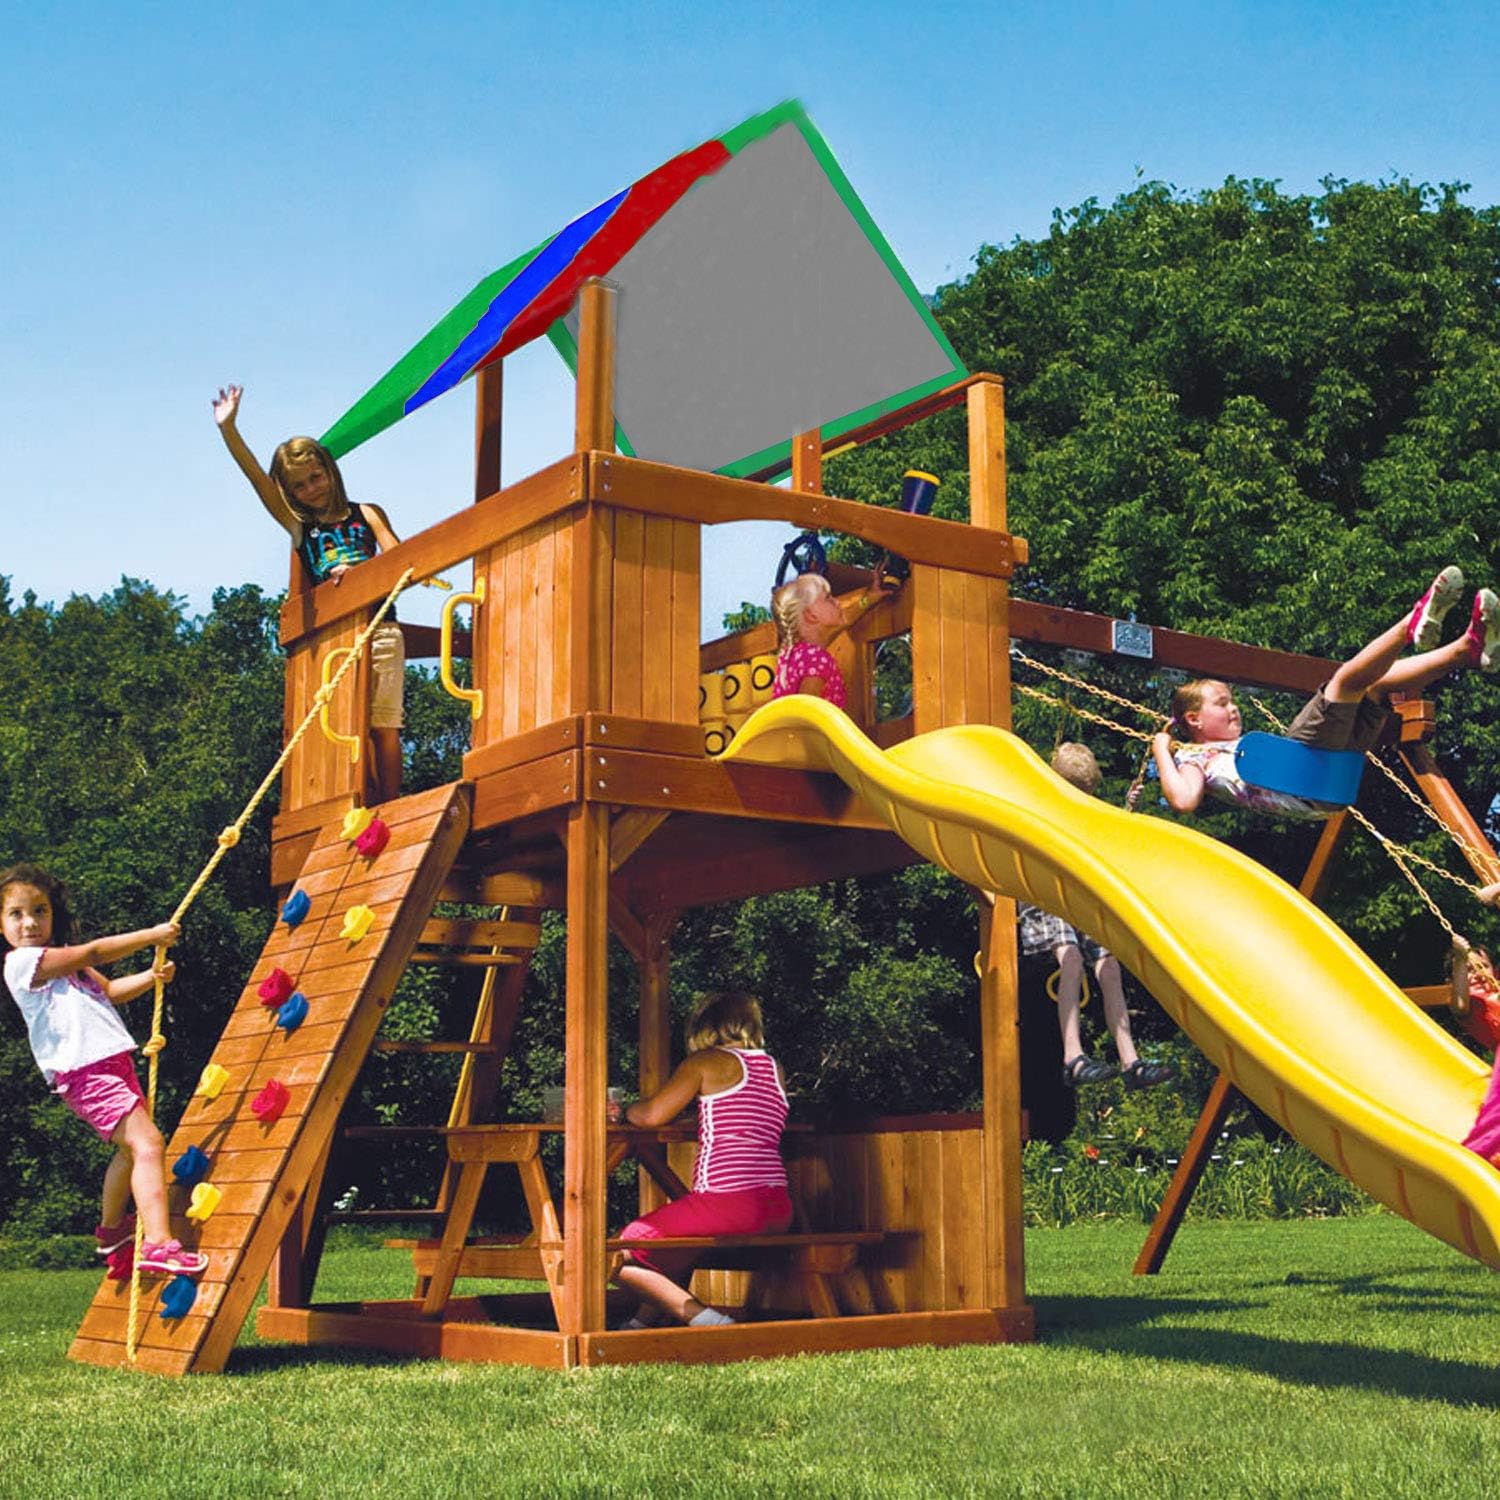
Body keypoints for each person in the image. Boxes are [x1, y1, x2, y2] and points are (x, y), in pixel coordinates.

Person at [1152, 567, 1499, 820]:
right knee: (1345, 681)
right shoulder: (1194, 758)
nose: (1234, 709)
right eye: (1222, 703)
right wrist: (1161, 750)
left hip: (1330, 782)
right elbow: (1184, 801)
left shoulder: (1226, 748)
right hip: (1303, 776)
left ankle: (1466, 650)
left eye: (1232, 701)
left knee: (1376, 687)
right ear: (1193, 719)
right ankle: (1412, 621)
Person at [1, 864, 208, 1278]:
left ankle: (112, 1231)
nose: (30, 923)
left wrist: (151, 976)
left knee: (130, 1150)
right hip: (84, 1070)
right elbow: (96, 951)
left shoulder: (67, 963)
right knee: (149, 1142)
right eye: (16, 914)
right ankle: (158, 1244)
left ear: (53, 915)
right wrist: (151, 935)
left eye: (40, 911)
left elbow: (110, 990)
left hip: (112, 1061)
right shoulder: (21, 963)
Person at [212, 383, 405, 801]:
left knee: (385, 724)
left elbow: (399, 559)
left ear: (330, 472)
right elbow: (258, 480)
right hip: (337, 638)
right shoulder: (303, 528)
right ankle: (361, 800)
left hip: (381, 629)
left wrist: (361, 573)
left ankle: (392, 803)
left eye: (316, 477)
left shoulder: (366, 513)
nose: (311, 489)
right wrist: (229, 430)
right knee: (349, 724)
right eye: (299, 486)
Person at [610, 991, 792, 1329]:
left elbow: (650, 1116)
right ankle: (639, 1325)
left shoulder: (705, 1062)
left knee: (613, 1254)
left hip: (728, 1204)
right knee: (678, 1248)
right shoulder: (773, 1067)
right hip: (777, 1206)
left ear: (704, 1027)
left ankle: (709, 1321)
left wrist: (623, 1112)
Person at [1019, 744, 1175, 1091]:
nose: (1084, 797)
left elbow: (1102, 839)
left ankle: (1130, 1062)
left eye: (1088, 791)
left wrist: (1126, 811)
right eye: (1078, 791)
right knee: (1071, 959)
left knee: (1110, 966)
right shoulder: (1043, 806)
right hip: (1044, 892)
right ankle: (1072, 1057)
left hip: (1077, 896)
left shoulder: (1084, 809)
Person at [771, 568, 891, 707]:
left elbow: (844, 619)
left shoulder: (792, 655)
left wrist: (868, 599)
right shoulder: (817, 659)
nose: (837, 602)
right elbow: (805, 712)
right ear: (811, 615)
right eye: (828, 598)